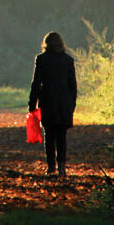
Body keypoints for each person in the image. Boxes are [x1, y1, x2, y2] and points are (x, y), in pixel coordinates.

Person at [28, 31, 77, 177]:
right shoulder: (68, 60)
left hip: (47, 100)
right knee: (62, 136)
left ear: (46, 44)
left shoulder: (41, 59)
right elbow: (72, 85)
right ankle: (62, 166)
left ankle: (50, 167)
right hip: (64, 102)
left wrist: (32, 104)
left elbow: (36, 83)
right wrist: (72, 104)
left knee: (49, 135)